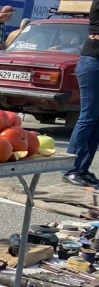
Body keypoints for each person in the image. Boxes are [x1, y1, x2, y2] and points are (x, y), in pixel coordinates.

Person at [62, 0, 99, 187]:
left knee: (96, 119)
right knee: (88, 116)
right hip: (93, 62)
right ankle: (70, 169)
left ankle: (83, 169)